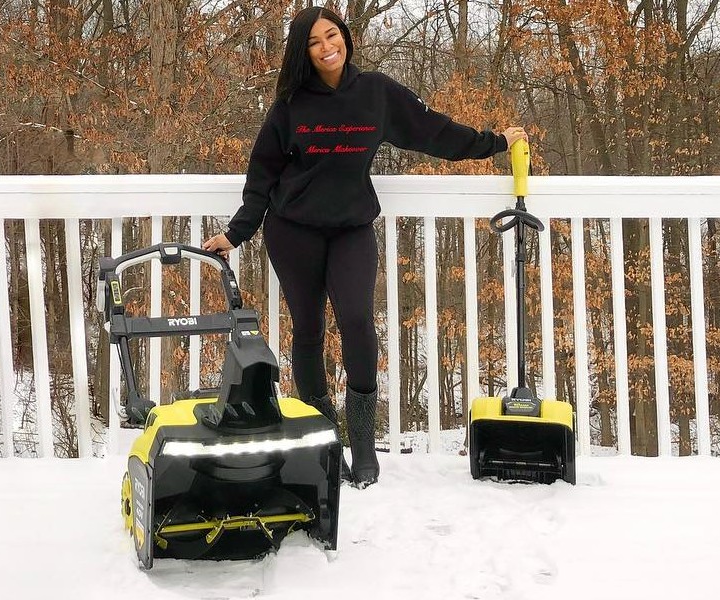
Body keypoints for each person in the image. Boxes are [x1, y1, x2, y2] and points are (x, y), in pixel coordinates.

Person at [204, 6, 528, 488]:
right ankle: (323, 439)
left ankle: (362, 445)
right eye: (314, 42)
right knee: (308, 327)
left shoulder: (375, 92)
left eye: (331, 35)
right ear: (303, 52)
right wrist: (237, 232)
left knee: (357, 319)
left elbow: (433, 131)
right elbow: (262, 176)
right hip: (293, 230)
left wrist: (495, 141)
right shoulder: (290, 105)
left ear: (345, 37)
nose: (326, 46)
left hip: (351, 227)